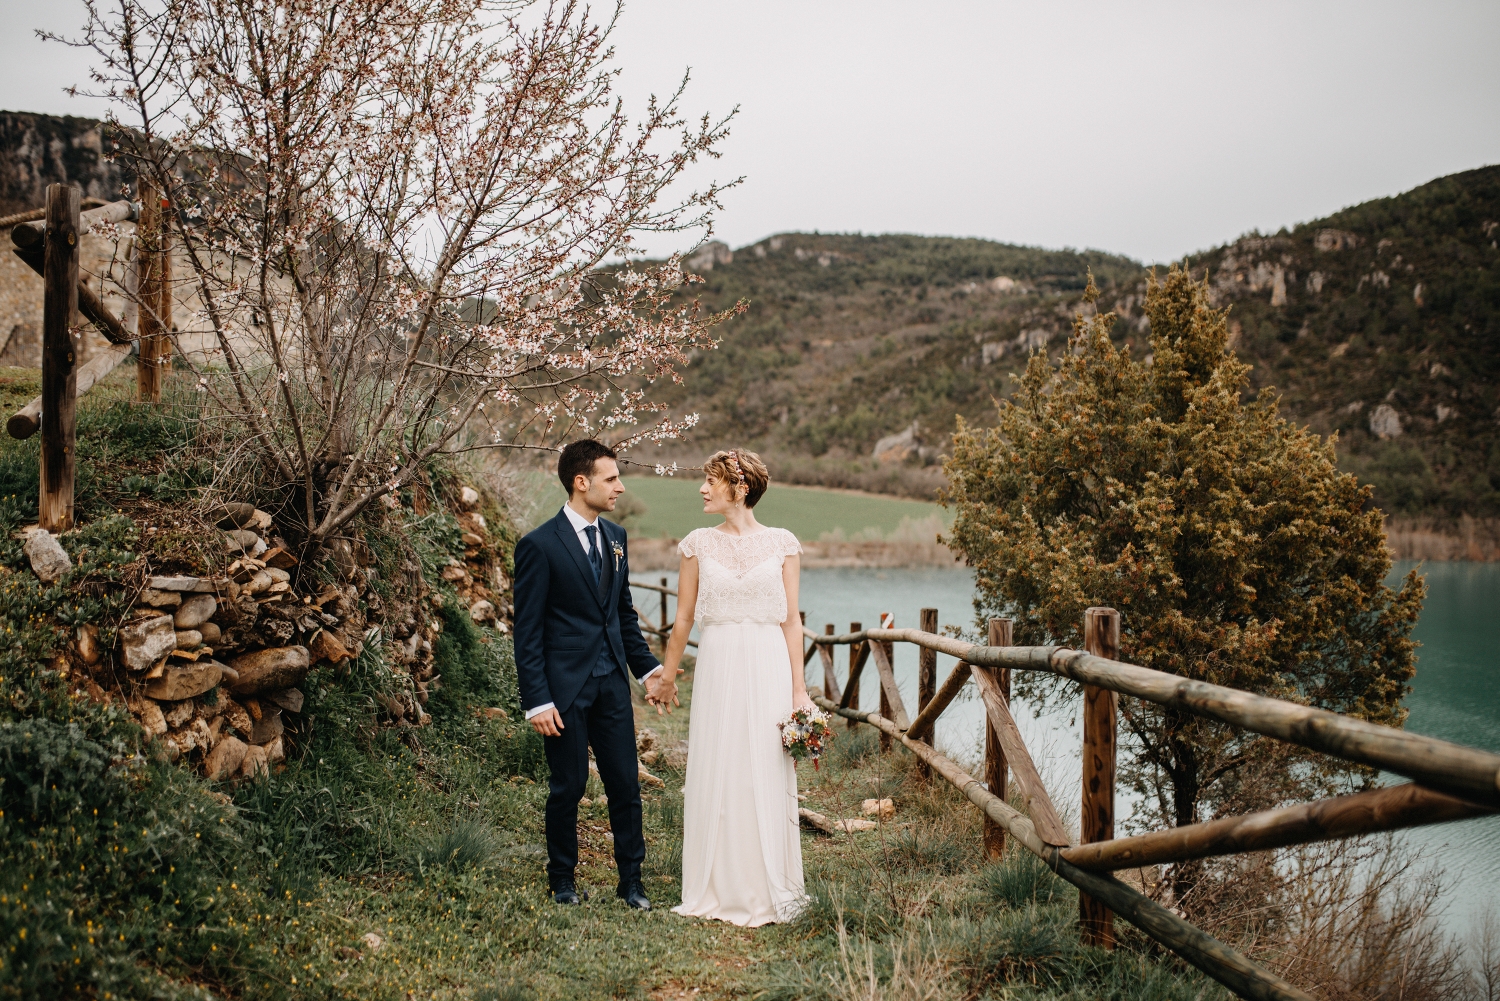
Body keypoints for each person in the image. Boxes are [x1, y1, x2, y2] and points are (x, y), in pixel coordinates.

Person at [513, 440, 676, 909]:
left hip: (611, 685)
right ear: (581, 482)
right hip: (563, 688)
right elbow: (527, 632)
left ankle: (632, 882)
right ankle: (562, 879)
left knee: (625, 783)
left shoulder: (617, 539)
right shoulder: (538, 545)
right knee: (569, 787)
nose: (620, 487)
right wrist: (536, 700)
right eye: (611, 478)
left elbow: (622, 615)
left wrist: (647, 670)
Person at [655, 448, 813, 926]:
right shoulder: (697, 544)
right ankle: (717, 884)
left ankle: (770, 885)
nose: (702, 489)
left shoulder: (783, 543)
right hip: (720, 660)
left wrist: (800, 691)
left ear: (740, 488)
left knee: (764, 763)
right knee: (720, 759)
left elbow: (791, 622)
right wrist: (666, 675)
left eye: (711, 480)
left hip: (768, 662)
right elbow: (683, 619)